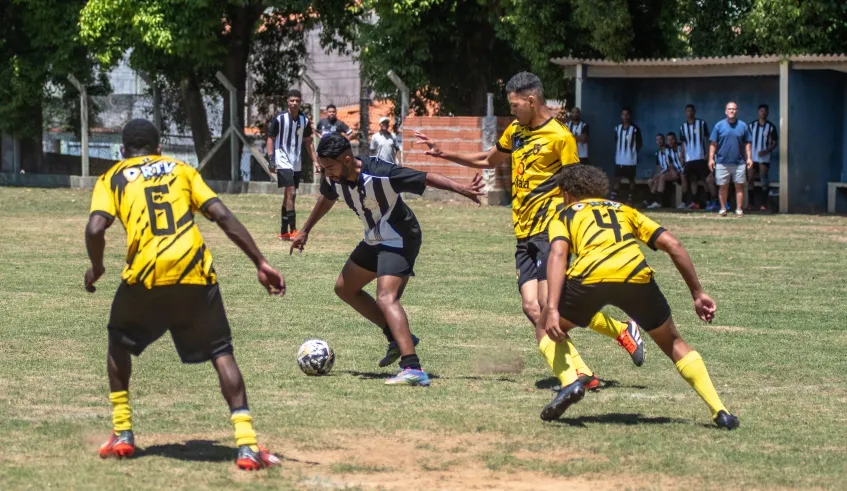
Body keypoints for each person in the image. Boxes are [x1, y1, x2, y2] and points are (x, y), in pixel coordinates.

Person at [415, 72, 645, 394]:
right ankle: (595, 358)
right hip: (523, 232)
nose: (512, 111)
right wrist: (444, 153)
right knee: (532, 307)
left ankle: (586, 364)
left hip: (551, 229)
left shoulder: (560, 137)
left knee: (551, 304)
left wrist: (577, 228)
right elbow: (487, 158)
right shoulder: (516, 131)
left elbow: (575, 186)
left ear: (532, 101)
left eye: (515, 105)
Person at [85, 119, 286, 470]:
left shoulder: (112, 176)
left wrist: (97, 268)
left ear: (123, 151)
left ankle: (123, 432)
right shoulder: (181, 169)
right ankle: (247, 446)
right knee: (221, 352)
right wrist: (261, 261)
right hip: (194, 270)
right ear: (159, 148)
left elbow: (95, 227)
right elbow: (221, 215)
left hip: (145, 274)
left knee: (118, 341)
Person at [538, 164, 739, 430]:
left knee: (545, 327)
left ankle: (569, 382)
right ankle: (720, 410)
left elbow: (559, 255)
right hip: (635, 275)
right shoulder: (625, 210)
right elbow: (673, 244)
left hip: (589, 278)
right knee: (674, 343)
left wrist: (552, 306)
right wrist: (698, 293)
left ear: (567, 193)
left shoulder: (564, 214)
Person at [290, 134, 484, 386]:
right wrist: (306, 229)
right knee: (344, 288)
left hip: (401, 236)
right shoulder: (333, 178)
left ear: (347, 159)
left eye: (328, 167)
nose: (324, 172)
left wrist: (461, 189)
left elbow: (424, 177)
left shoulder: (381, 173)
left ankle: (412, 367)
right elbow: (326, 199)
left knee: (386, 297)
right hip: (375, 238)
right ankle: (395, 336)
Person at [266, 89, 319, 240]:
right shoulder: (280, 118)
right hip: (282, 160)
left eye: (297, 100)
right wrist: (271, 160)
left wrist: (315, 161)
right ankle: (294, 230)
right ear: (287, 102)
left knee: (288, 195)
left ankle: (283, 231)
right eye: (292, 100)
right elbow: (270, 138)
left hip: (296, 162)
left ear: (300, 102)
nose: (295, 103)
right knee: (292, 192)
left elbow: (308, 142)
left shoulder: (305, 121)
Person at [709, 102, 752, 217]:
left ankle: (739, 209)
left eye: (734, 109)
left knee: (739, 185)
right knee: (723, 186)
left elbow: (747, 143)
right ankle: (723, 209)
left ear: (737, 111)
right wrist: (711, 159)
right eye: (729, 109)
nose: (731, 111)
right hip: (722, 162)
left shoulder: (743, 126)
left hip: (739, 162)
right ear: (725, 111)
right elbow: (713, 143)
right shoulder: (719, 126)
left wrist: (749, 158)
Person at [679, 104, 718, 210]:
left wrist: (708, 153)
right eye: (687, 111)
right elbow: (683, 143)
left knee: (707, 179)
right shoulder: (683, 127)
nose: (689, 113)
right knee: (692, 180)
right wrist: (681, 155)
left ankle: (713, 201)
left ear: (694, 112)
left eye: (691, 111)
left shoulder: (701, 123)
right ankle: (694, 202)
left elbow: (708, 139)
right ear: (685, 113)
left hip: (700, 157)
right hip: (689, 159)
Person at [747, 104, 778, 210]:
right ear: (758, 112)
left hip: (764, 158)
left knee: (763, 179)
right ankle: (750, 204)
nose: (763, 113)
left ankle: (763, 204)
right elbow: (747, 141)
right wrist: (748, 156)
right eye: (761, 111)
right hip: (752, 157)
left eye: (765, 111)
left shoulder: (771, 127)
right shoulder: (751, 126)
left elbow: (774, 142)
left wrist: (766, 151)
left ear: (768, 113)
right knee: (750, 178)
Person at [612, 107, 642, 204]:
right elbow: (616, 141)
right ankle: (614, 196)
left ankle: (631, 196)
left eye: (627, 114)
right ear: (621, 116)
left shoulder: (635, 129)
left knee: (631, 179)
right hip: (619, 158)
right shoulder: (617, 128)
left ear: (630, 116)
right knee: (617, 177)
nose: (625, 116)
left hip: (630, 159)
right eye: (623, 114)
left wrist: (633, 153)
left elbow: (639, 143)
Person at [646, 133, 678, 209]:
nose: (659, 141)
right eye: (657, 140)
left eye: (660, 139)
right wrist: (657, 174)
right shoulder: (657, 153)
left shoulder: (669, 150)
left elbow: (671, 165)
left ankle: (654, 201)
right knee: (650, 181)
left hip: (670, 172)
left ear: (664, 140)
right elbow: (659, 167)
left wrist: (661, 174)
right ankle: (654, 201)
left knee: (659, 179)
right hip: (663, 173)